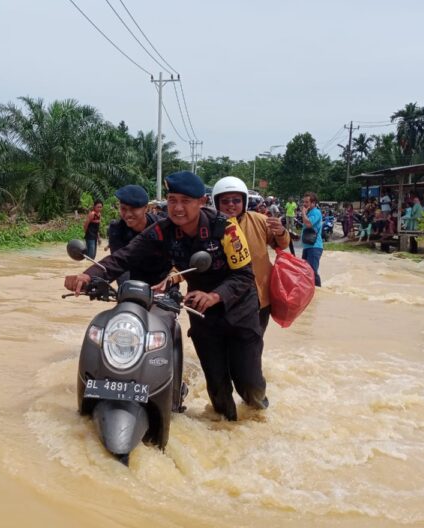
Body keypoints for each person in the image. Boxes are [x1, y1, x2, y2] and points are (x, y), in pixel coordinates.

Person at [64, 171, 266, 421]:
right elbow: (126, 256)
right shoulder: (162, 230)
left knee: (250, 383)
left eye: (185, 201)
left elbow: (245, 277)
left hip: (239, 312)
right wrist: (88, 275)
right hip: (201, 313)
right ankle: (226, 429)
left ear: (201, 202)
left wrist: (214, 296)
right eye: (172, 200)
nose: (177, 207)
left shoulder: (226, 229)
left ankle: (257, 421)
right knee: (217, 386)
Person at [212, 176, 291, 333]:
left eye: (236, 200)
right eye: (225, 201)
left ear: (244, 202)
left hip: (258, 298)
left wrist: (281, 232)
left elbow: (283, 244)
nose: (231, 205)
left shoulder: (260, 220)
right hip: (222, 297)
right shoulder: (208, 224)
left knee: (254, 347)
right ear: (216, 203)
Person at [107, 184, 168, 285]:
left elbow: (179, 260)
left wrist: (173, 278)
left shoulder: (163, 227)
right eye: (123, 209)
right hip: (134, 283)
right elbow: (119, 262)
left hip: (163, 283)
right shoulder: (116, 229)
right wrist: (125, 289)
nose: (128, 214)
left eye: (133, 209)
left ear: (145, 208)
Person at [300, 192, 323, 287]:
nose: (304, 204)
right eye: (304, 202)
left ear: (313, 203)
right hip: (307, 246)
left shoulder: (316, 212)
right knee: (305, 271)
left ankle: (318, 291)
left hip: (314, 247)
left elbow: (309, 223)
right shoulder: (309, 212)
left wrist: (303, 213)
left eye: (307, 202)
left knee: (312, 271)